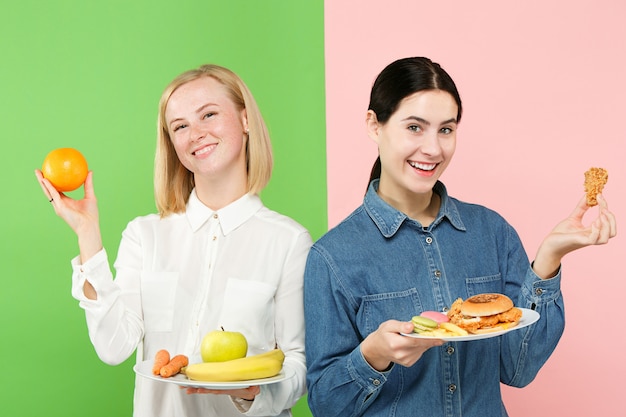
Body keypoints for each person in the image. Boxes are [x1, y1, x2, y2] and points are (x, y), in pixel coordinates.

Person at [303, 57, 617, 417]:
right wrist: (373, 356)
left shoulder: (492, 232)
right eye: (415, 128)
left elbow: (518, 369)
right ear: (375, 125)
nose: (433, 149)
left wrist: (548, 259)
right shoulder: (332, 257)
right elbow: (326, 405)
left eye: (446, 130)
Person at [35, 64, 311, 417]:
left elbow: (298, 365)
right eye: (180, 126)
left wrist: (251, 393)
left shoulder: (288, 241)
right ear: (172, 143)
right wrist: (87, 234)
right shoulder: (144, 235)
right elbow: (113, 347)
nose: (195, 133)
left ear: (245, 120)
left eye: (208, 114)